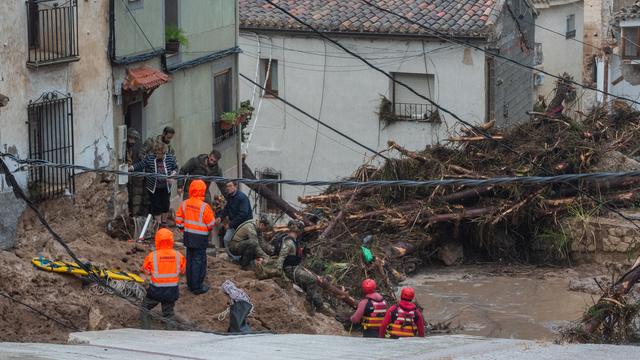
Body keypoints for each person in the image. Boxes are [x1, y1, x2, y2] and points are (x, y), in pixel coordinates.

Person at [256, 220, 330, 315]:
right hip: (290, 270)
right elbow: (281, 259)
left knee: (310, 285)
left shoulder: (292, 240)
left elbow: (292, 254)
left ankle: (319, 305)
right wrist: (282, 276)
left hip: (294, 267)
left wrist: (303, 251)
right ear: (299, 230)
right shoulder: (288, 242)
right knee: (312, 280)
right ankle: (308, 305)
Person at [175, 179, 216, 295]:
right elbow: (211, 224)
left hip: (188, 236)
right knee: (199, 261)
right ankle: (197, 287)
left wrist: (183, 228)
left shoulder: (185, 203)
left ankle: (190, 284)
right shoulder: (205, 207)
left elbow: (178, 220)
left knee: (190, 260)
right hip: (200, 237)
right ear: (203, 191)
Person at [140, 228, 186, 330]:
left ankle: (145, 332)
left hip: (156, 290)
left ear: (157, 240)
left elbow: (146, 271)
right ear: (171, 240)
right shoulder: (179, 256)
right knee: (169, 313)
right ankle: (170, 335)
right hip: (171, 291)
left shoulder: (152, 256)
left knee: (144, 308)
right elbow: (183, 271)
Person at [130, 141, 178, 227]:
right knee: (156, 205)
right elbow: (141, 164)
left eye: (160, 154)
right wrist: (131, 168)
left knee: (165, 205)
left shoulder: (170, 158)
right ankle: (158, 224)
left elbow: (175, 168)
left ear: (164, 153)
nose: (158, 155)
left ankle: (164, 223)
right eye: (157, 153)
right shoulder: (150, 158)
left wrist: (172, 175)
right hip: (154, 187)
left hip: (165, 186)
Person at [216, 181, 253, 253]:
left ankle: (240, 259)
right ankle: (233, 258)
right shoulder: (230, 197)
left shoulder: (242, 197)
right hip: (234, 224)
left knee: (240, 243)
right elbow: (226, 209)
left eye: (230, 186)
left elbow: (243, 214)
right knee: (226, 239)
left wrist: (230, 224)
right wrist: (220, 217)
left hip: (244, 225)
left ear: (235, 186)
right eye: (227, 186)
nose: (228, 188)